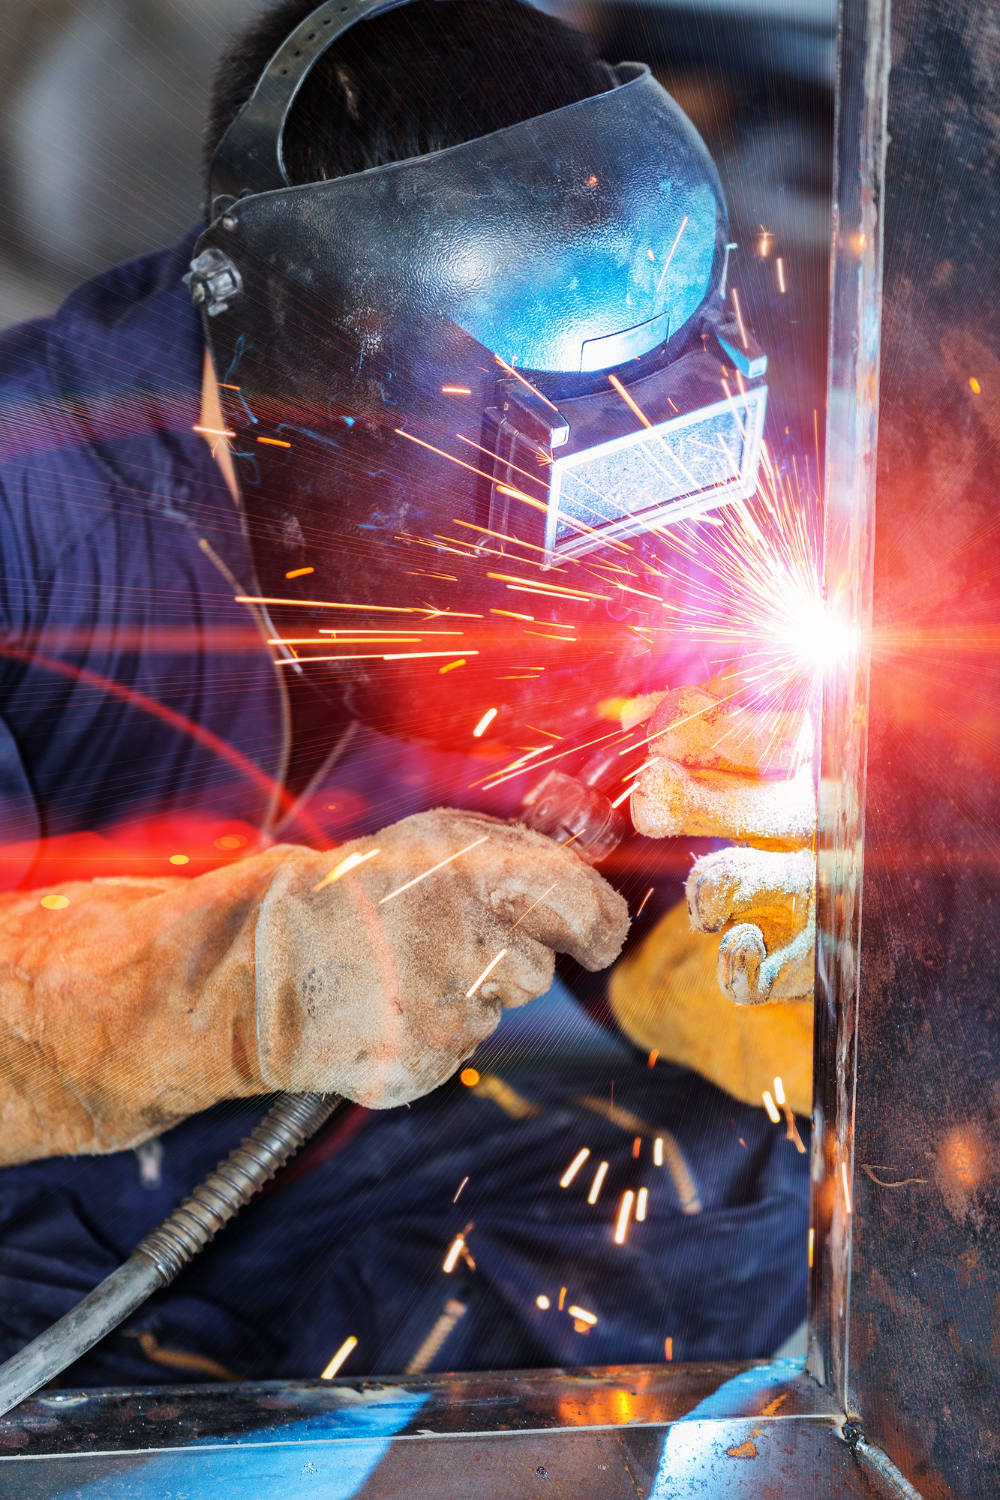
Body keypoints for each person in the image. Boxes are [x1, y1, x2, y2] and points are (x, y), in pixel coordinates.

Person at [0, 0, 814, 1383]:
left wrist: (749, 934)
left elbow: (638, 814)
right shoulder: (31, 507)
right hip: (26, 1206)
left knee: (752, 1198)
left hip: (337, 1161)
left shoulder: (641, 437)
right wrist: (256, 983)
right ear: (320, 371)